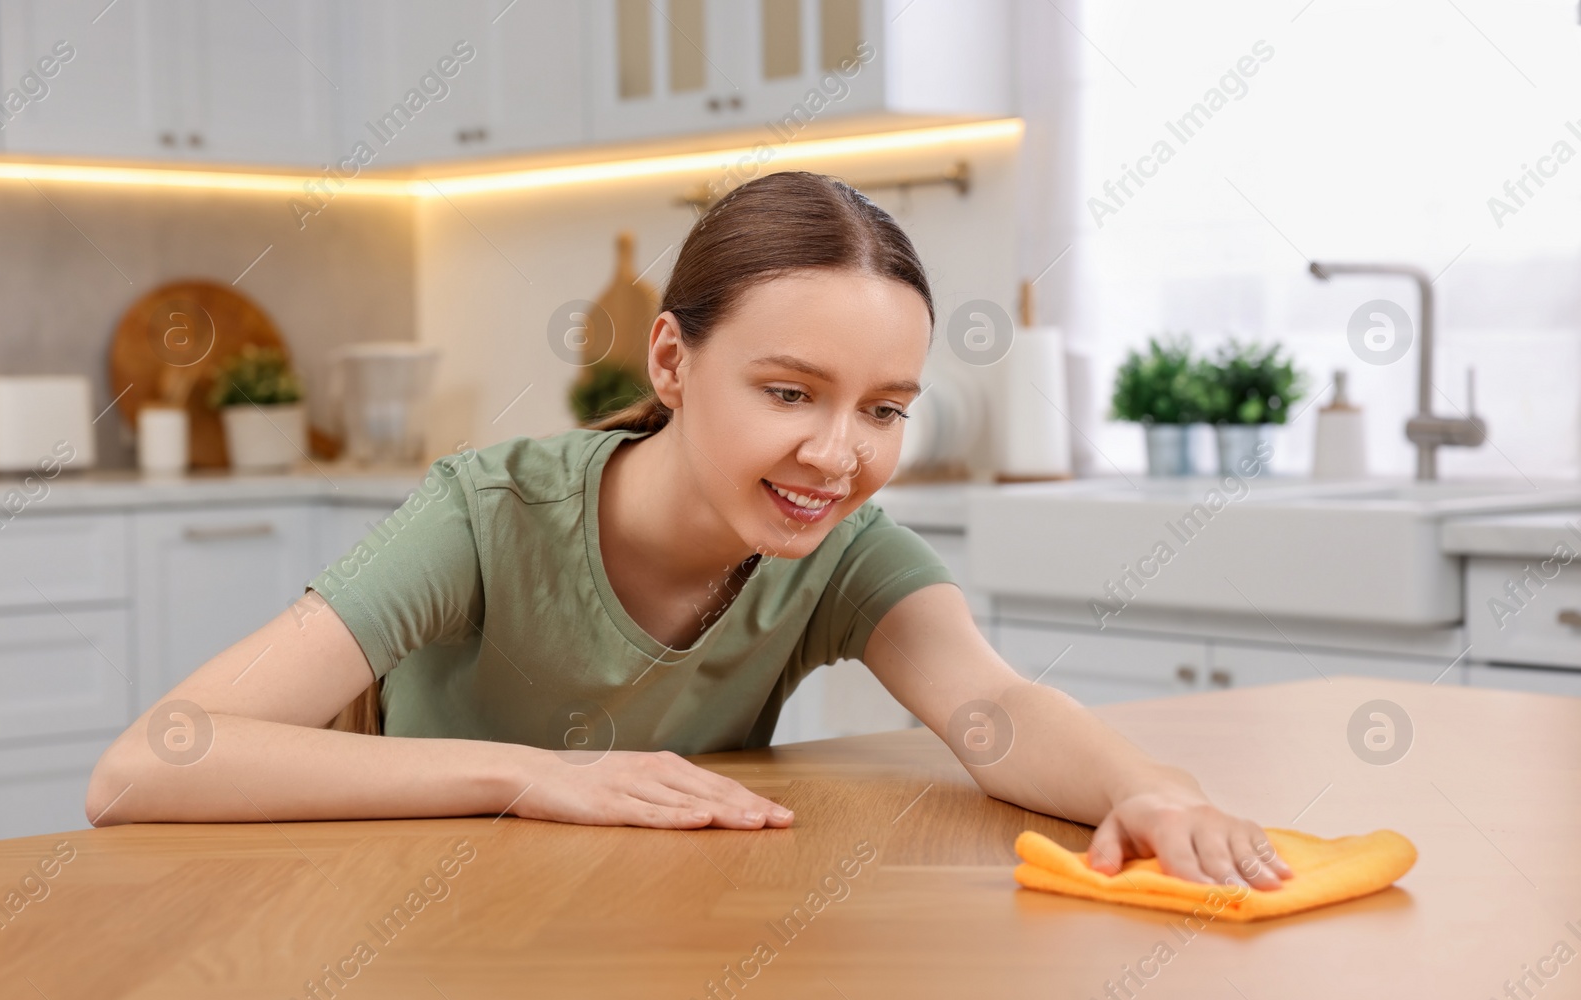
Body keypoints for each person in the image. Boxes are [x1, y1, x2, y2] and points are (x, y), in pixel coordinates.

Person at [86, 171, 1292, 891]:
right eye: (788, 392)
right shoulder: (485, 513)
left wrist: (1153, 789)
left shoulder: (837, 553)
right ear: (672, 360)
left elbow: (997, 708)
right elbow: (147, 761)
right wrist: (534, 775)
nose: (838, 454)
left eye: (883, 409)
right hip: (413, 934)